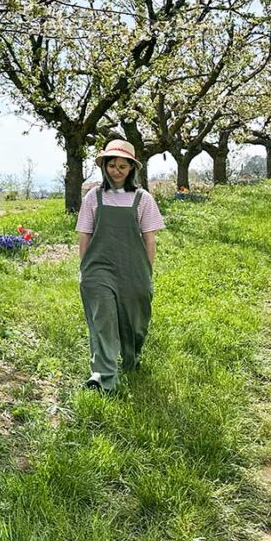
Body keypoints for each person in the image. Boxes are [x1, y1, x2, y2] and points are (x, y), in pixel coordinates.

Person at [76, 139, 165, 393]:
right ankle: (104, 376)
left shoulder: (143, 199)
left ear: (131, 169)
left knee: (134, 324)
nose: (116, 170)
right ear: (104, 166)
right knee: (102, 319)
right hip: (98, 269)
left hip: (134, 269)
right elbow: (84, 235)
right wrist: (85, 270)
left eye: (122, 166)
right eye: (112, 165)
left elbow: (149, 239)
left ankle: (131, 358)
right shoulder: (93, 197)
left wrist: (145, 273)